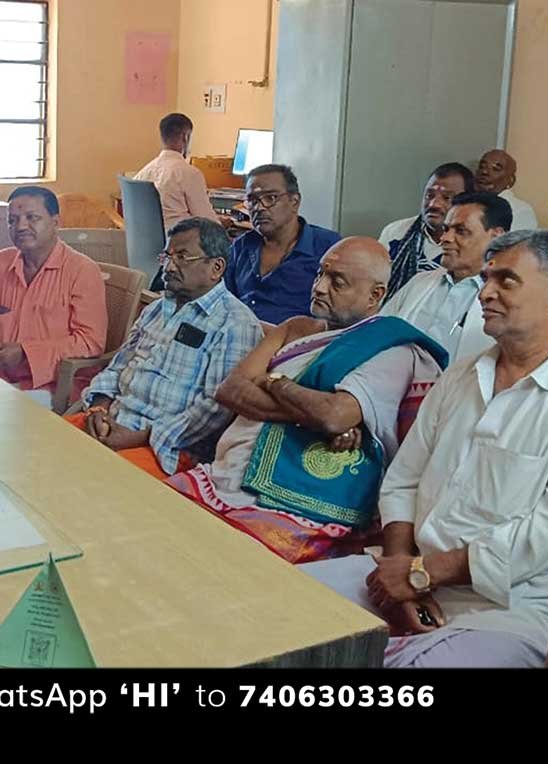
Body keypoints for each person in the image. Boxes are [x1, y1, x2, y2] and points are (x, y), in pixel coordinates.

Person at [303, 230, 548, 667]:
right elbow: (404, 480)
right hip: (412, 572)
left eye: (506, 281)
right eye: (487, 278)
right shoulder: (460, 377)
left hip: (512, 606)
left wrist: (423, 575)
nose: (486, 293)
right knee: (283, 608)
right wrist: (399, 568)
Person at [169, 237, 447, 563]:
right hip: (226, 473)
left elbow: (334, 415)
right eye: (320, 274)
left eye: (336, 282)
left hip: (303, 498)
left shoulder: (390, 347)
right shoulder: (295, 328)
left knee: (220, 560)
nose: (319, 287)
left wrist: (275, 383)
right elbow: (231, 390)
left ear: (376, 296)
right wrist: (309, 415)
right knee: (152, 518)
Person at [67, 218, 261, 479]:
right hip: (111, 422)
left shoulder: (235, 323)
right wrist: (98, 409)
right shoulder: (158, 308)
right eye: (167, 256)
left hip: (165, 448)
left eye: (182, 257)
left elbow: (216, 409)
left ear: (216, 267)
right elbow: (120, 365)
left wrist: (140, 437)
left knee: (85, 480)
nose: (169, 267)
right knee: (42, 447)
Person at [0, 186, 107, 400]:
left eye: (32, 218)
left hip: (56, 385)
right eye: (13, 220)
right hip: (1, 379)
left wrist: (26, 353)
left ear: (56, 222)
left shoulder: (82, 271)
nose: (21, 227)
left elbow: (90, 342)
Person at [381, 191, 510, 363]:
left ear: (496, 236)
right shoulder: (421, 281)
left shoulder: (509, 299)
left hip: (460, 387)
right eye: (446, 229)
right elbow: (380, 332)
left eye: (461, 231)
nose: (445, 238)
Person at [224, 164, 342, 325]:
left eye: (270, 198)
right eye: (252, 200)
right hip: (240, 339)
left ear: (294, 201)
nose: (259, 208)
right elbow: (225, 303)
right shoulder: (242, 246)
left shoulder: (328, 247)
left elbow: (340, 316)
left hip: (298, 344)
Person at [379, 162, 475, 301]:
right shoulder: (395, 233)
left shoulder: (468, 246)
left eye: (447, 198)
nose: (434, 204)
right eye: (429, 195)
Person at [132, 112, 220, 231]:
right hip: (181, 244)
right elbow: (209, 222)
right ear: (185, 137)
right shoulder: (189, 173)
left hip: (151, 245)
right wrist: (224, 223)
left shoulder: (142, 174)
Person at [474, 148, 538, 230]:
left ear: (511, 181)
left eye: (496, 169)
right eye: (482, 167)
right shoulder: (466, 205)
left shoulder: (521, 211)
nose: (484, 172)